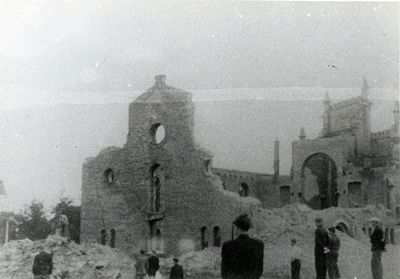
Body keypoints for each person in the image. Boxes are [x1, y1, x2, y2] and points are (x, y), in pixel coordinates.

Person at [221, 213, 264, 279]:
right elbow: (259, 271)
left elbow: (224, 273)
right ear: (249, 227)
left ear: (237, 228)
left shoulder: (227, 246)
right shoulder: (259, 245)